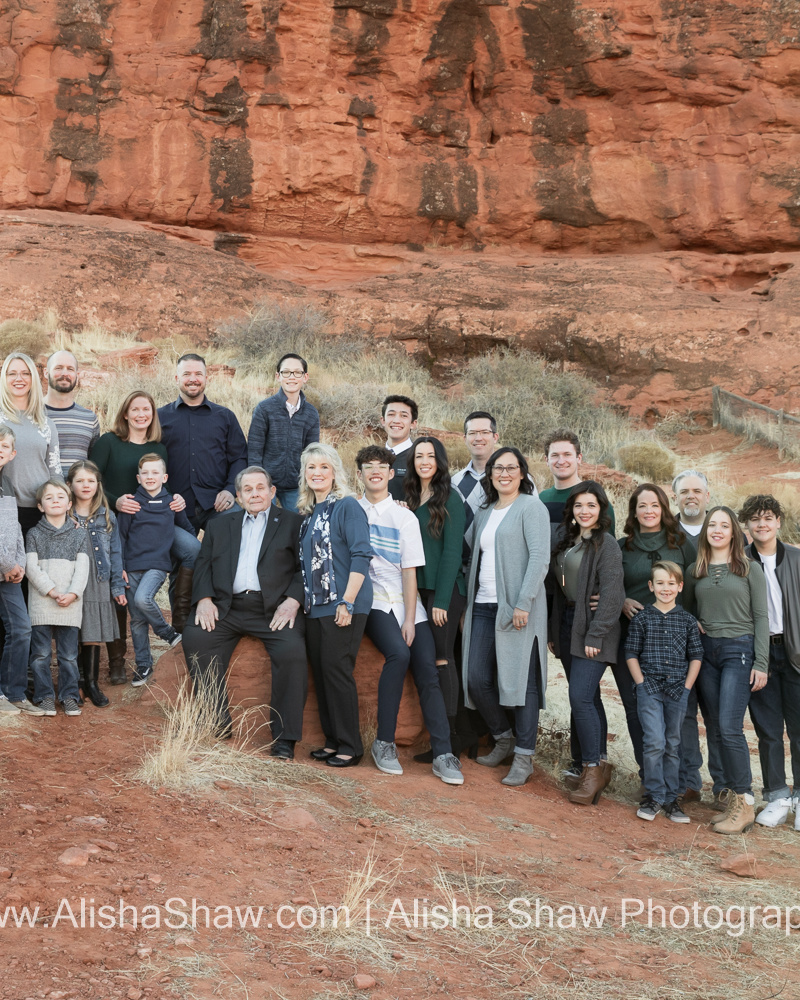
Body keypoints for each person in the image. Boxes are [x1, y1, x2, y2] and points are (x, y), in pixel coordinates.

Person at [356, 445, 464, 786]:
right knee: (398, 653)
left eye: (382, 466)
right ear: (359, 474)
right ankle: (384, 742)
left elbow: (409, 570)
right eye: (368, 466)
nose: (375, 471)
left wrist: (409, 616)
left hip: (407, 601)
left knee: (428, 667)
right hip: (372, 601)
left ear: (392, 474)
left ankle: (444, 752)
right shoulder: (351, 511)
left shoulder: (404, 516)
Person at [182, 466, 308, 755]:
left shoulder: (293, 523)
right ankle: (216, 721)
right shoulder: (219, 526)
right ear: (238, 497)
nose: (255, 494)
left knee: (292, 654)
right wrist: (204, 598)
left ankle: (284, 739)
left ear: (272, 492)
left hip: (274, 609)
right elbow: (203, 565)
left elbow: (305, 569)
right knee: (197, 639)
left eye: (260, 488)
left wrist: (293, 600)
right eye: (247, 490)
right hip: (227, 607)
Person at [90, 391, 198, 681]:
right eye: (134, 409)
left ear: (153, 415)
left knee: (192, 549)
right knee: (124, 588)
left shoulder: (157, 447)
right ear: (125, 413)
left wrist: (177, 502)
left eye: (146, 410)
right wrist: (116, 502)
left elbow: (164, 482)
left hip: (154, 520)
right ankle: (117, 660)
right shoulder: (109, 442)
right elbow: (92, 478)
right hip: (119, 517)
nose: (141, 414)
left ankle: (180, 620)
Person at [463, 447, 550, 787]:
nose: (504, 473)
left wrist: (524, 602)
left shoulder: (531, 507)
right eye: (498, 468)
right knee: (477, 679)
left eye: (512, 468)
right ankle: (504, 738)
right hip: (483, 606)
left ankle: (524, 757)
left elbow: (540, 558)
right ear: (490, 474)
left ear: (522, 473)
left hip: (517, 608)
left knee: (521, 682)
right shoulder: (485, 510)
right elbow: (471, 550)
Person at [683, 506, 769, 835]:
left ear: (734, 532)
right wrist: (695, 623)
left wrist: (761, 662)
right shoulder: (696, 570)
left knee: (731, 727)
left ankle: (746, 802)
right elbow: (687, 612)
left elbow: (761, 618)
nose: (717, 530)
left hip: (739, 651)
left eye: (724, 525)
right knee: (716, 727)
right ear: (705, 531)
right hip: (707, 655)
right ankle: (733, 799)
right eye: (712, 525)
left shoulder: (749, 568)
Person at [549, 483, 625, 805]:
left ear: (601, 510)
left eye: (591, 505)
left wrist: (596, 634)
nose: (585, 511)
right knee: (589, 697)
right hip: (567, 625)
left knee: (579, 696)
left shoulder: (606, 544)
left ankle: (593, 768)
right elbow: (557, 588)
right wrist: (554, 632)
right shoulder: (565, 541)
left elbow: (612, 593)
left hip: (594, 629)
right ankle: (592, 764)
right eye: (579, 505)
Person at [298, 442, 372, 767]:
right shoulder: (308, 514)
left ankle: (351, 746)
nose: (317, 473)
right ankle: (332, 740)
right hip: (315, 607)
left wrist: (348, 601)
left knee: (338, 671)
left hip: (344, 604)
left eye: (324, 467)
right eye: (311, 467)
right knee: (323, 672)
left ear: (335, 472)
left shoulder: (347, 507)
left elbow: (361, 554)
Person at [618, 483, 696, 787]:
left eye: (654, 505)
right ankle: (649, 777)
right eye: (642, 506)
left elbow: (694, 585)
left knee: (677, 713)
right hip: (634, 639)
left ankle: (681, 782)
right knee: (638, 708)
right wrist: (622, 600)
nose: (648, 511)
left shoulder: (681, 544)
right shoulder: (623, 546)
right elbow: (611, 583)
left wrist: (694, 624)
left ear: (664, 509)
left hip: (675, 644)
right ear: (634, 512)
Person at [403, 437, 471, 759]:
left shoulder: (451, 499)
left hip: (444, 591)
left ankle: (450, 739)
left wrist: (442, 601)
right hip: (418, 588)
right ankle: (440, 735)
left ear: (440, 461)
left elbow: (451, 554)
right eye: (419, 456)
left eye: (431, 455)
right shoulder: (411, 496)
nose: (425, 461)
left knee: (443, 660)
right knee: (429, 662)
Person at [739, 494, 800, 830]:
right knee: (768, 731)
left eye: (768, 518)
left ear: (778, 522)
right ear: (747, 526)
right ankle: (777, 797)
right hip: (759, 654)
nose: (761, 524)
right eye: (755, 519)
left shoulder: (796, 558)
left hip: (795, 654)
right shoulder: (740, 560)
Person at [626, 562, 703, 823]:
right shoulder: (642, 619)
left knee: (672, 744)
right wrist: (640, 683)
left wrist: (687, 687)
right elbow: (631, 653)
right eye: (660, 583)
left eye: (671, 583)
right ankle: (654, 795)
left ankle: (672, 799)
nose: (665, 588)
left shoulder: (688, 621)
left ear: (680, 587)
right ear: (651, 586)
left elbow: (696, 656)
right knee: (654, 742)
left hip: (677, 690)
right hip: (650, 689)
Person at [117, 455, 196, 687]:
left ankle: (167, 633)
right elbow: (120, 537)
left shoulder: (172, 503)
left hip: (157, 565)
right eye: (145, 473)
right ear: (138, 477)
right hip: (131, 567)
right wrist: (120, 567)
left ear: (165, 477)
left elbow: (187, 530)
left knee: (143, 599)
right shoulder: (131, 503)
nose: (150, 477)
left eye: (155, 473)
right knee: (138, 621)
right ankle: (143, 664)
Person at [158, 354, 248, 530]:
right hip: (175, 507)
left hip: (216, 504)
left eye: (198, 374)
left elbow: (239, 457)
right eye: (186, 374)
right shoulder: (159, 417)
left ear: (206, 378)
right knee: (186, 553)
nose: (193, 379)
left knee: (241, 532)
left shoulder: (225, 417)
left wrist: (230, 490)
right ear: (177, 379)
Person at [26, 480, 90, 717]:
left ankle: (69, 696)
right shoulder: (34, 534)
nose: (55, 500)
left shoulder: (79, 535)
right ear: (40, 506)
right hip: (43, 603)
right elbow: (31, 568)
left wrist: (73, 594)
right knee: (41, 654)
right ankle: (44, 697)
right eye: (49, 497)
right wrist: (52, 591)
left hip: (70, 605)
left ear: (69, 504)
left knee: (69, 655)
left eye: (60, 497)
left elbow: (83, 569)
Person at [67, 461, 126, 709]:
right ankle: (74, 683)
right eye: (80, 481)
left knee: (92, 633)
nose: (85, 485)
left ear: (98, 485)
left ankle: (91, 683)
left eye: (90, 481)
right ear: (69, 484)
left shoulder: (107, 515)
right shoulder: (64, 513)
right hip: (70, 581)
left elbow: (115, 553)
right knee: (72, 630)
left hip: (98, 579)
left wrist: (117, 587)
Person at [247, 353, 320, 513]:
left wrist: (308, 484)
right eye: (286, 372)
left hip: (296, 486)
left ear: (305, 377)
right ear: (278, 376)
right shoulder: (264, 409)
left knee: (299, 526)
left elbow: (312, 453)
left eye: (297, 373)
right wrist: (258, 483)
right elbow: (254, 450)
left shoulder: (311, 413)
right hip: (266, 483)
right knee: (264, 527)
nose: (291, 377)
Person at [0, 353, 61, 538]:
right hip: (5, 509)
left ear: (33, 378)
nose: (19, 379)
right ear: (4, 378)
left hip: (42, 511)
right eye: (12, 374)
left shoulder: (46, 424)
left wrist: (62, 511)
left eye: (25, 373)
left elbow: (55, 472)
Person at [452, 411, 538, 532]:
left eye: (484, 432)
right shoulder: (455, 481)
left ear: (495, 437)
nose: (478, 438)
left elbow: (534, 522)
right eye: (472, 433)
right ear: (465, 438)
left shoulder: (516, 478)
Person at [0, 425, 35, 715]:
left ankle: (14, 693)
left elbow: (16, 531)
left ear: (12, 454)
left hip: (9, 572)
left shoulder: (8, 484)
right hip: (4, 568)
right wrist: (6, 564)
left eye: (4, 445)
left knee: (22, 629)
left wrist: (19, 563)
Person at [539, 429, 615, 536]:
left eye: (567, 454)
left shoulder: (595, 498)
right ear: (547, 460)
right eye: (555, 455)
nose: (561, 461)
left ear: (579, 458)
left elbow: (608, 548)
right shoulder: (541, 499)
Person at [44, 350, 100, 476]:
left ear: (77, 374)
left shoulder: (89, 418)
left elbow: (92, 464)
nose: (64, 374)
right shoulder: (32, 414)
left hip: (78, 494)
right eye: (58, 368)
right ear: (46, 373)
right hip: (40, 494)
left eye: (70, 369)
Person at [381, 395, 418, 501]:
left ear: (413, 423)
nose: (396, 420)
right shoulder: (374, 457)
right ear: (383, 420)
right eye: (391, 414)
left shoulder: (419, 458)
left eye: (404, 416)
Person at [672, 469, 710, 539]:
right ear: (676, 499)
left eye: (697, 491)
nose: (691, 496)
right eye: (684, 492)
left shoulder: (725, 531)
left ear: (707, 497)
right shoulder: (664, 533)